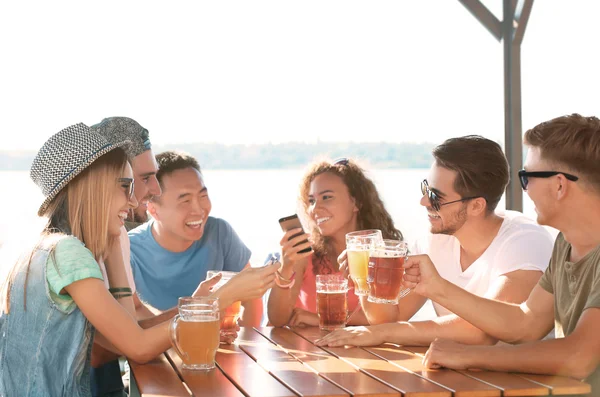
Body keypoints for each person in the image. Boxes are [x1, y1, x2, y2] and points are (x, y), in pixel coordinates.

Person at [0, 123, 255, 396]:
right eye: (125, 186)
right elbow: (138, 346)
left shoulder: (45, 248)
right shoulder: (70, 255)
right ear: (93, 186)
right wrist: (222, 298)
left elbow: (130, 329)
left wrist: (197, 308)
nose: (133, 202)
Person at [400, 114, 600, 393]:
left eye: (527, 177)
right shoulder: (565, 244)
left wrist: (469, 356)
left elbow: (579, 357)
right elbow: (527, 322)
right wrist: (436, 288)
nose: (524, 189)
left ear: (559, 185)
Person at [316, 135, 553, 348]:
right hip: (461, 375)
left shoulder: (525, 242)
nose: (423, 202)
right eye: (426, 189)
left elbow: (482, 332)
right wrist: (365, 281)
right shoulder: (436, 240)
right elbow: (388, 318)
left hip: (525, 384)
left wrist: (382, 333)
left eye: (435, 197)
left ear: (476, 205)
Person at [128, 150, 264, 326]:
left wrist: (241, 342)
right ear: (153, 209)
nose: (199, 209)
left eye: (203, 196)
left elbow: (251, 299)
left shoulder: (219, 233)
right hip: (158, 351)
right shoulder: (130, 250)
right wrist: (195, 310)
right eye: (185, 201)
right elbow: (136, 320)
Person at [267, 158, 403, 327]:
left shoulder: (386, 255)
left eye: (326, 197)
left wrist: (318, 319)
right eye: (311, 201)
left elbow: (390, 321)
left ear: (356, 202)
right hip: (309, 352)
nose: (315, 209)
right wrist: (285, 268)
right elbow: (277, 320)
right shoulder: (304, 251)